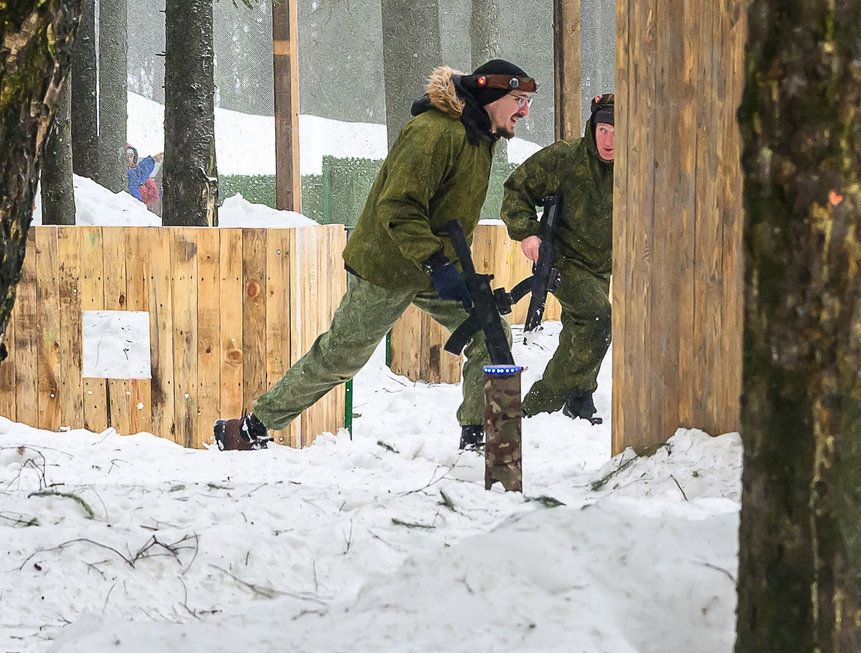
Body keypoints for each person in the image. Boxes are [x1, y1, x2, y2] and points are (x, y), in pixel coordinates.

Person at [217, 60, 536, 454]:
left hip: (438, 266)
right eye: (518, 100)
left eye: (527, 102)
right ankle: (250, 428)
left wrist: (448, 267)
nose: (524, 111)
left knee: (493, 333)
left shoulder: (480, 137)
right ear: (491, 96)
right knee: (341, 357)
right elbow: (397, 207)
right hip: (388, 264)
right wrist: (437, 264)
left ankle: (478, 442)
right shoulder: (433, 133)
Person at [501, 92, 615, 423]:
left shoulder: (637, 163)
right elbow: (516, 190)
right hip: (566, 260)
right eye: (603, 130)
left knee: (582, 333)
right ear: (593, 127)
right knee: (597, 318)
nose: (608, 140)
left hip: (604, 266)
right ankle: (577, 397)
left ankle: (539, 408)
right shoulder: (566, 158)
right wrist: (527, 232)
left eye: (617, 132)